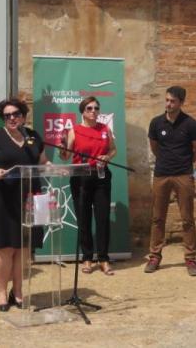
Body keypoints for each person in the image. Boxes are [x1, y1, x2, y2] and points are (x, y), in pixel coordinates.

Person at [0, 98, 49, 312]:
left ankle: (17, 292)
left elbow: (42, 162)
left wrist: (53, 167)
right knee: (5, 248)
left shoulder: (33, 137)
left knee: (24, 248)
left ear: (24, 116)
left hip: (29, 196)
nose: (11, 118)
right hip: (2, 198)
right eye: (7, 115)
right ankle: (1, 292)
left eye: (15, 114)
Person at [145, 85, 196, 276]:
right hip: (161, 174)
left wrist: (184, 164)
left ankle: (190, 258)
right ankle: (154, 256)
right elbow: (154, 148)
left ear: (181, 103)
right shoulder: (156, 123)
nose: (168, 104)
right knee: (157, 218)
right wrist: (166, 161)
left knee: (187, 219)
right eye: (167, 100)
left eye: (173, 101)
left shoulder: (191, 125)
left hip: (183, 175)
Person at [61, 96, 117, 275]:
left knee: (102, 218)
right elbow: (65, 156)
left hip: (101, 177)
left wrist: (107, 156)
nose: (94, 111)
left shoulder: (105, 129)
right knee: (83, 219)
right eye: (89, 108)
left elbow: (113, 149)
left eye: (96, 108)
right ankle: (87, 258)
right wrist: (61, 147)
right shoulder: (74, 130)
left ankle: (103, 258)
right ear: (82, 112)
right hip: (80, 178)